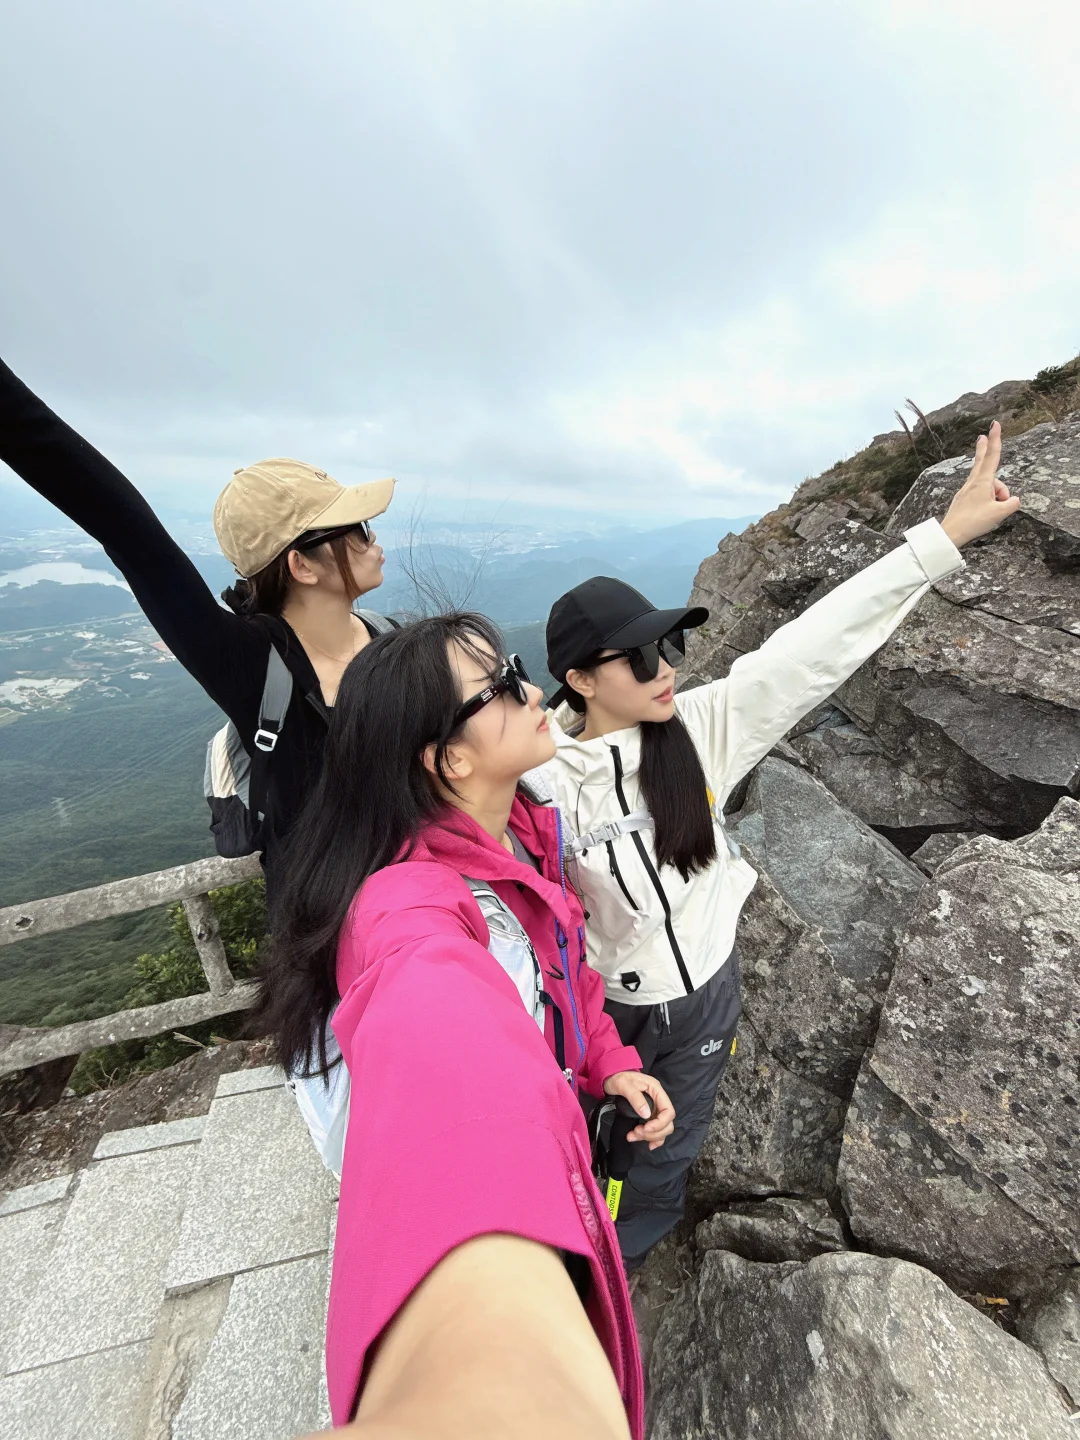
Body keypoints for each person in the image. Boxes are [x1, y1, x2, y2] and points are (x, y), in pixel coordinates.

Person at [534, 423, 1022, 1272]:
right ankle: (564, 1262)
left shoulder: (698, 731)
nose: (666, 667)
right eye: (642, 653)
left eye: (672, 643)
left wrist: (941, 538)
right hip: (604, 1009)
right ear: (577, 679)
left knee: (664, 1158)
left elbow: (811, 650)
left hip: (707, 999)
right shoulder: (543, 778)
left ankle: (616, 1280)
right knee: (582, 1146)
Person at [261, 612, 675, 1437]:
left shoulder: (518, 831)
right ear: (449, 759)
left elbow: (565, 970)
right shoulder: (408, 906)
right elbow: (440, 1037)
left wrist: (607, 1060)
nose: (531, 692)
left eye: (516, 669)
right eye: (500, 687)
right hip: (522, 1176)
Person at [0, 355, 396, 897]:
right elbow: (121, 524)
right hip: (330, 950)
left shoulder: (391, 638)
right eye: (354, 528)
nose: (372, 540)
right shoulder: (250, 663)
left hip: (448, 923)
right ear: (300, 566)